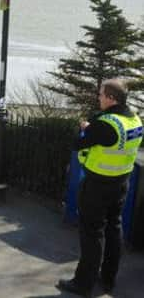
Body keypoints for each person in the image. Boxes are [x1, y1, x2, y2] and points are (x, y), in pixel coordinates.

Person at [57, 79, 142, 297]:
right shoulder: (135, 120)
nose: (99, 98)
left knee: (91, 233)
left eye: (101, 94)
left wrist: (86, 129)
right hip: (122, 181)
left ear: (111, 98)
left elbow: (77, 143)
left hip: (97, 185)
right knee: (114, 227)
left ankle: (83, 283)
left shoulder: (106, 124)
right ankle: (108, 279)